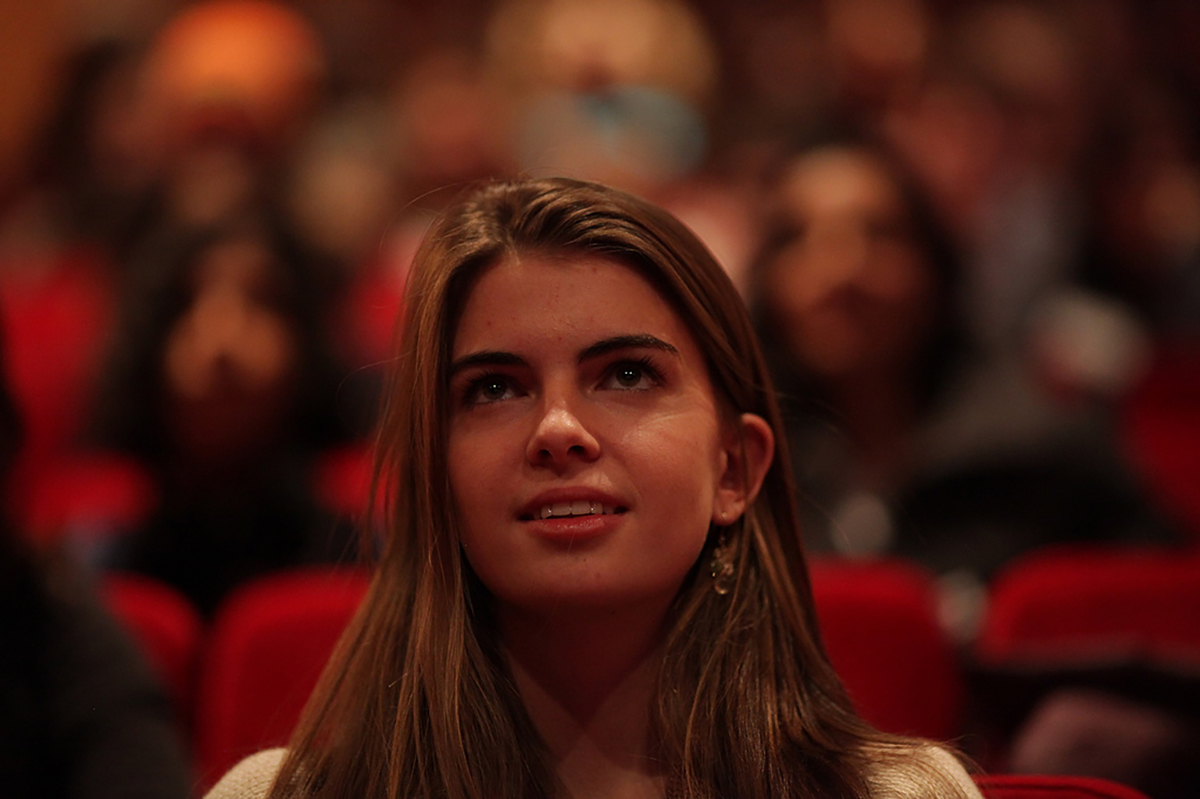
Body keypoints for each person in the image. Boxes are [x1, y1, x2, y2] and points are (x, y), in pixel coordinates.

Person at [204, 177, 981, 799]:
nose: (558, 428)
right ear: (435, 477)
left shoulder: (901, 794)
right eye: (495, 388)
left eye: (628, 374)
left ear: (734, 468)